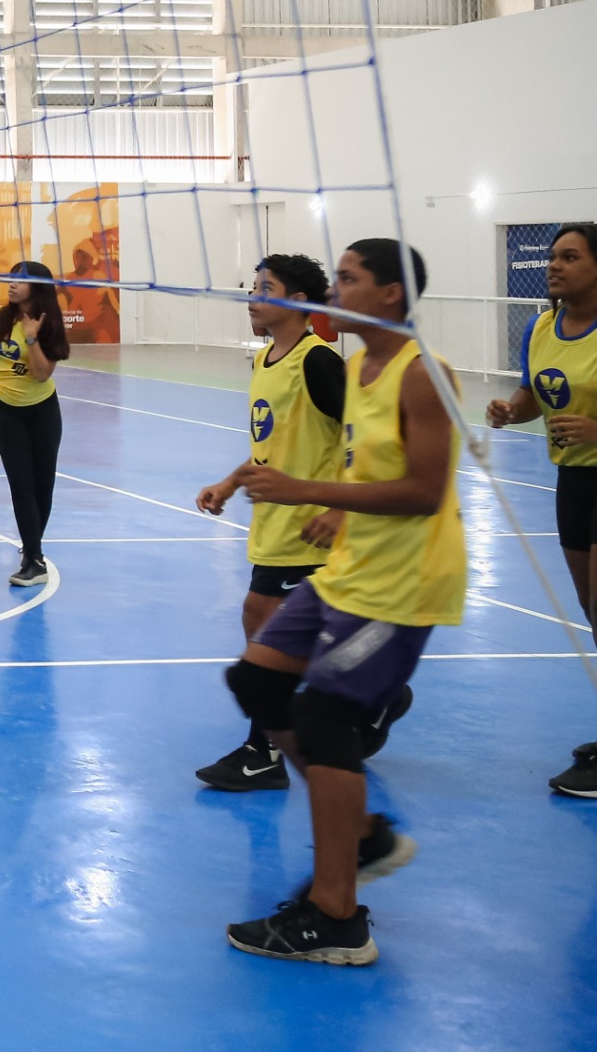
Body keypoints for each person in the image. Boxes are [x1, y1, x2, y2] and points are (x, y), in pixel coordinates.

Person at [221, 239, 456, 965]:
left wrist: (310, 495)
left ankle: (337, 916)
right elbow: (360, 464)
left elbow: (423, 491)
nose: (337, 287)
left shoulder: (425, 375)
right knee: (258, 680)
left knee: (323, 718)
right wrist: (337, 511)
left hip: (401, 582)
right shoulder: (359, 366)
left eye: (350, 278)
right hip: (349, 569)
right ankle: (361, 834)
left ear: (390, 294)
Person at [192, 253, 346, 792]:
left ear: (297, 303)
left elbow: (365, 441)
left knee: (263, 629)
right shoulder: (265, 361)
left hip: (309, 530)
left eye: (265, 287)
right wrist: (231, 482)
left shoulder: (319, 362)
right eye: (253, 286)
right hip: (273, 526)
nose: (253, 296)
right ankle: (372, 697)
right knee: (274, 632)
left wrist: (338, 508)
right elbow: (270, 446)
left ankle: (264, 753)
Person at [486, 221, 597, 795]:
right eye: (553, 256)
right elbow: (533, 393)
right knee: (590, 606)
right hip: (574, 480)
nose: (554, 265)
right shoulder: (543, 327)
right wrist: (510, 410)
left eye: (570, 257)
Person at [0, 261, 71, 588]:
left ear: (36, 287)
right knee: (20, 483)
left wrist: (32, 339)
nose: (11, 284)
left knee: (42, 485)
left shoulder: (47, 324)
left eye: (20, 281)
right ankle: (33, 559)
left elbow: (41, 374)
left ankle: (32, 544)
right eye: (11, 278)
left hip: (43, 411)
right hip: (6, 411)